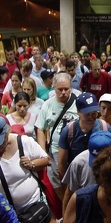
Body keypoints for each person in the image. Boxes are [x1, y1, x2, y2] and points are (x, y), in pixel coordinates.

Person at [0, 116, 49, 213]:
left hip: (33, 206)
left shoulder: (25, 141)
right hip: (4, 211)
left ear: (6, 133)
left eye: (0, 142)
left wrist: (32, 164)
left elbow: (46, 159)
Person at [35, 72, 79, 204]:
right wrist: (43, 152)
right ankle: (67, 204)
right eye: (60, 89)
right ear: (54, 88)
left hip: (75, 149)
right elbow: (40, 129)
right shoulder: (47, 105)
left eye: (66, 89)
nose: (63, 92)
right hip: (55, 150)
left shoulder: (78, 102)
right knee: (56, 179)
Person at [58, 92, 111, 181]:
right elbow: (61, 164)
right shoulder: (69, 131)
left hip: (101, 179)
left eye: (94, 113)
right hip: (76, 179)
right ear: (78, 112)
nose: (91, 117)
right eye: (87, 114)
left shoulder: (105, 128)